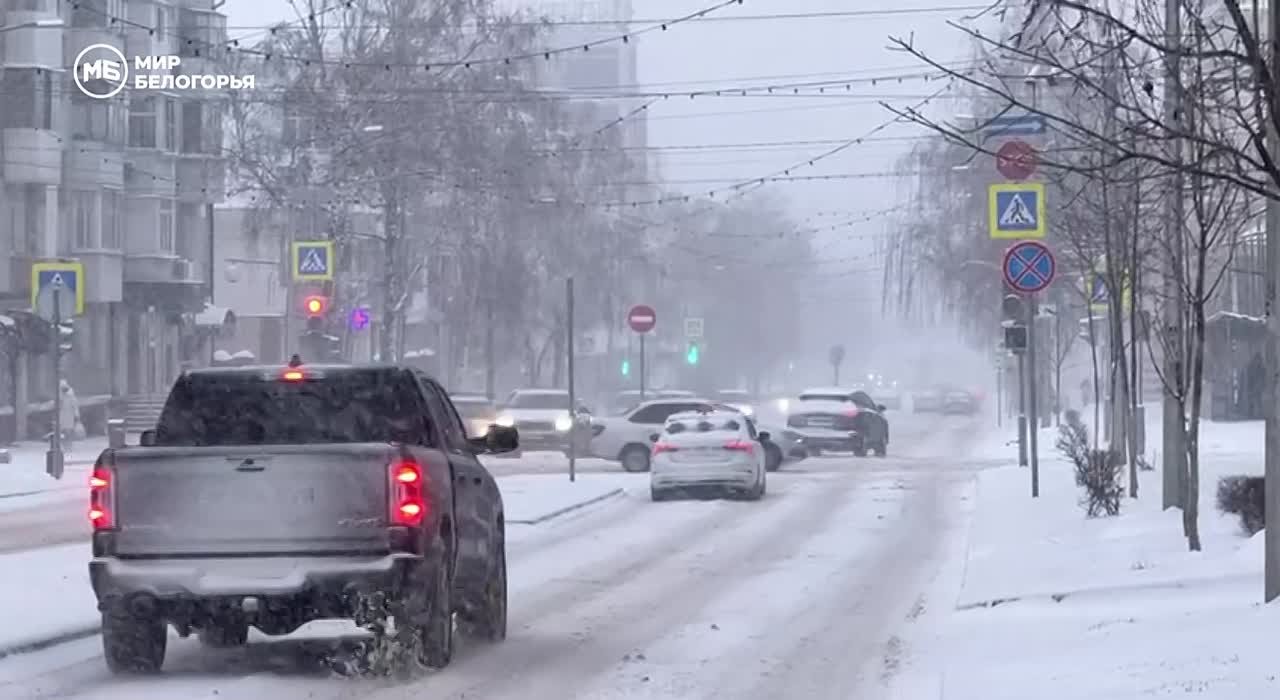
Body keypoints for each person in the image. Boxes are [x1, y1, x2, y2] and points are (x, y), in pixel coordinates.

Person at [58, 380, 82, 449]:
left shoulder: (70, 396)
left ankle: (69, 445)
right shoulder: (61, 395)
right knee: (64, 432)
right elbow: (58, 406)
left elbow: (75, 406)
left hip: (69, 416)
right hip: (63, 416)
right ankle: (66, 445)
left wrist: (77, 415)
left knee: (68, 431)